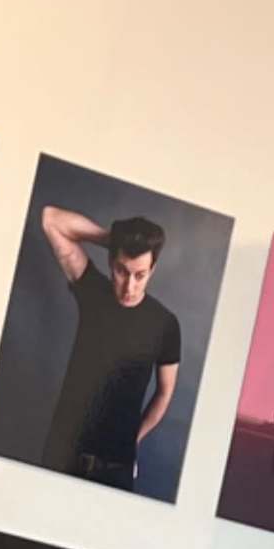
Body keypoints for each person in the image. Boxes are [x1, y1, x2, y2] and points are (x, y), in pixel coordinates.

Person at [29, 204, 185, 491]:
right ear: (111, 263)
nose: (129, 286)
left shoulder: (165, 324)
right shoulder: (94, 292)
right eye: (122, 271)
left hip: (116, 468)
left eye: (140, 275)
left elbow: (165, 392)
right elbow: (50, 219)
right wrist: (112, 239)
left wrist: (133, 439)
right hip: (63, 457)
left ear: (153, 269)